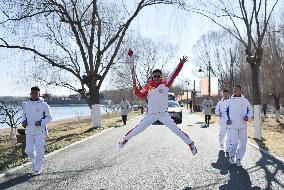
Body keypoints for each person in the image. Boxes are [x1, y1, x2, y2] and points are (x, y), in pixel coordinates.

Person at [118, 51, 197, 155]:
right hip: (151, 115)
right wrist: (136, 89)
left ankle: (190, 144)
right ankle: (124, 140)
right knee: (137, 129)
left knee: (176, 130)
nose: (156, 78)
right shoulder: (148, 87)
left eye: (158, 76)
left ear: (161, 76)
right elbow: (140, 94)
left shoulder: (166, 84)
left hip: (164, 114)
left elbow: (175, 73)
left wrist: (181, 64)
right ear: (152, 77)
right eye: (154, 76)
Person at [22, 86, 52, 175]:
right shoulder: (26, 104)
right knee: (28, 150)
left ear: (39, 93)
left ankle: (37, 169)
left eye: (36, 93)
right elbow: (24, 116)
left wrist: (41, 122)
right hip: (29, 131)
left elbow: (49, 117)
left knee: (39, 150)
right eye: (32, 93)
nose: (34, 94)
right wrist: (23, 122)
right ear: (30, 93)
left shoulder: (44, 105)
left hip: (40, 131)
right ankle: (36, 163)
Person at [224, 85, 253, 166]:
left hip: (243, 125)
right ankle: (232, 156)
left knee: (243, 143)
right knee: (234, 143)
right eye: (234, 90)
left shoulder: (245, 101)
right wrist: (227, 119)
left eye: (236, 90)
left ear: (240, 91)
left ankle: (239, 158)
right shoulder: (229, 101)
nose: (235, 91)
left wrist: (248, 116)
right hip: (232, 125)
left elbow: (251, 110)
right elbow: (225, 111)